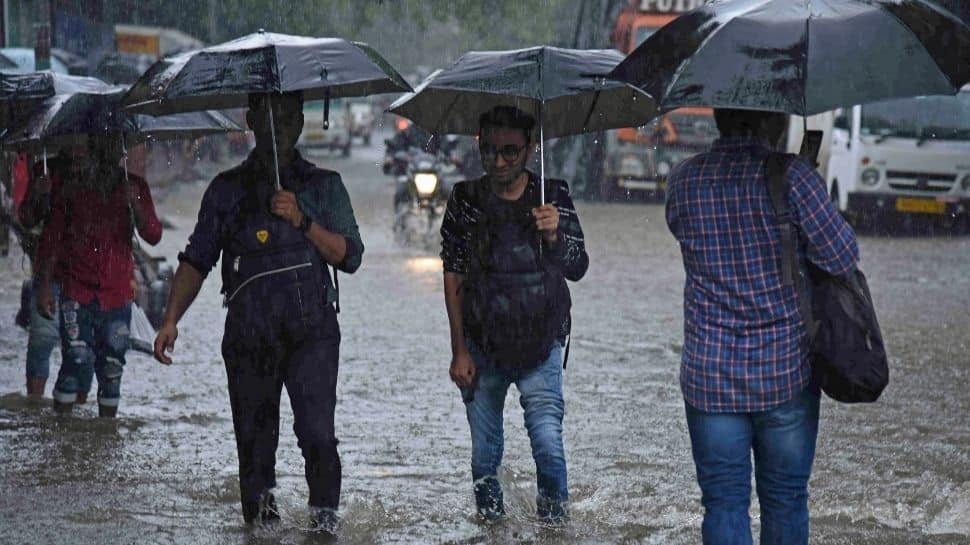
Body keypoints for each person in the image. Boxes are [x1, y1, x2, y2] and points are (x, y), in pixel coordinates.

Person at [152, 92, 364, 533]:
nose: (276, 128)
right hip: (249, 337)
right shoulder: (227, 190)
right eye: (266, 118)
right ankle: (260, 531)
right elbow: (196, 260)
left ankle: (324, 529)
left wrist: (302, 220)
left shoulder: (324, 185)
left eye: (285, 118)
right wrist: (171, 319)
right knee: (254, 449)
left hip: (313, 336)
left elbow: (350, 256)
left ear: (300, 122)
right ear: (250, 121)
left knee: (319, 438)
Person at [664, 108, 859, 545]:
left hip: (709, 374)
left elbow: (683, 232)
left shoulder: (683, 180)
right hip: (784, 372)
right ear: (773, 122)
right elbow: (842, 257)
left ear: (718, 118)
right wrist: (806, 201)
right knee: (786, 499)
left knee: (723, 503)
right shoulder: (794, 178)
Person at [440, 106, 589, 522]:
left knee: (547, 445)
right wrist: (459, 350)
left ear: (530, 148)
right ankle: (491, 529)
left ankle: (555, 528)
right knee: (484, 458)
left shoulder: (552, 195)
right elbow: (452, 274)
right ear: (478, 146)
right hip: (481, 346)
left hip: (541, 345)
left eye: (510, 151)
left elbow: (578, 266)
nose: (499, 161)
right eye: (489, 151)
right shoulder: (465, 200)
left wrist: (556, 235)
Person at [35, 137, 162, 417]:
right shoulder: (72, 186)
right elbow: (52, 238)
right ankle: (62, 429)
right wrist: (44, 285)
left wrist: (136, 204)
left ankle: (106, 434)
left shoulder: (134, 186)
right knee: (76, 359)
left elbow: (153, 234)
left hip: (117, 294)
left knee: (112, 368)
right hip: (76, 289)